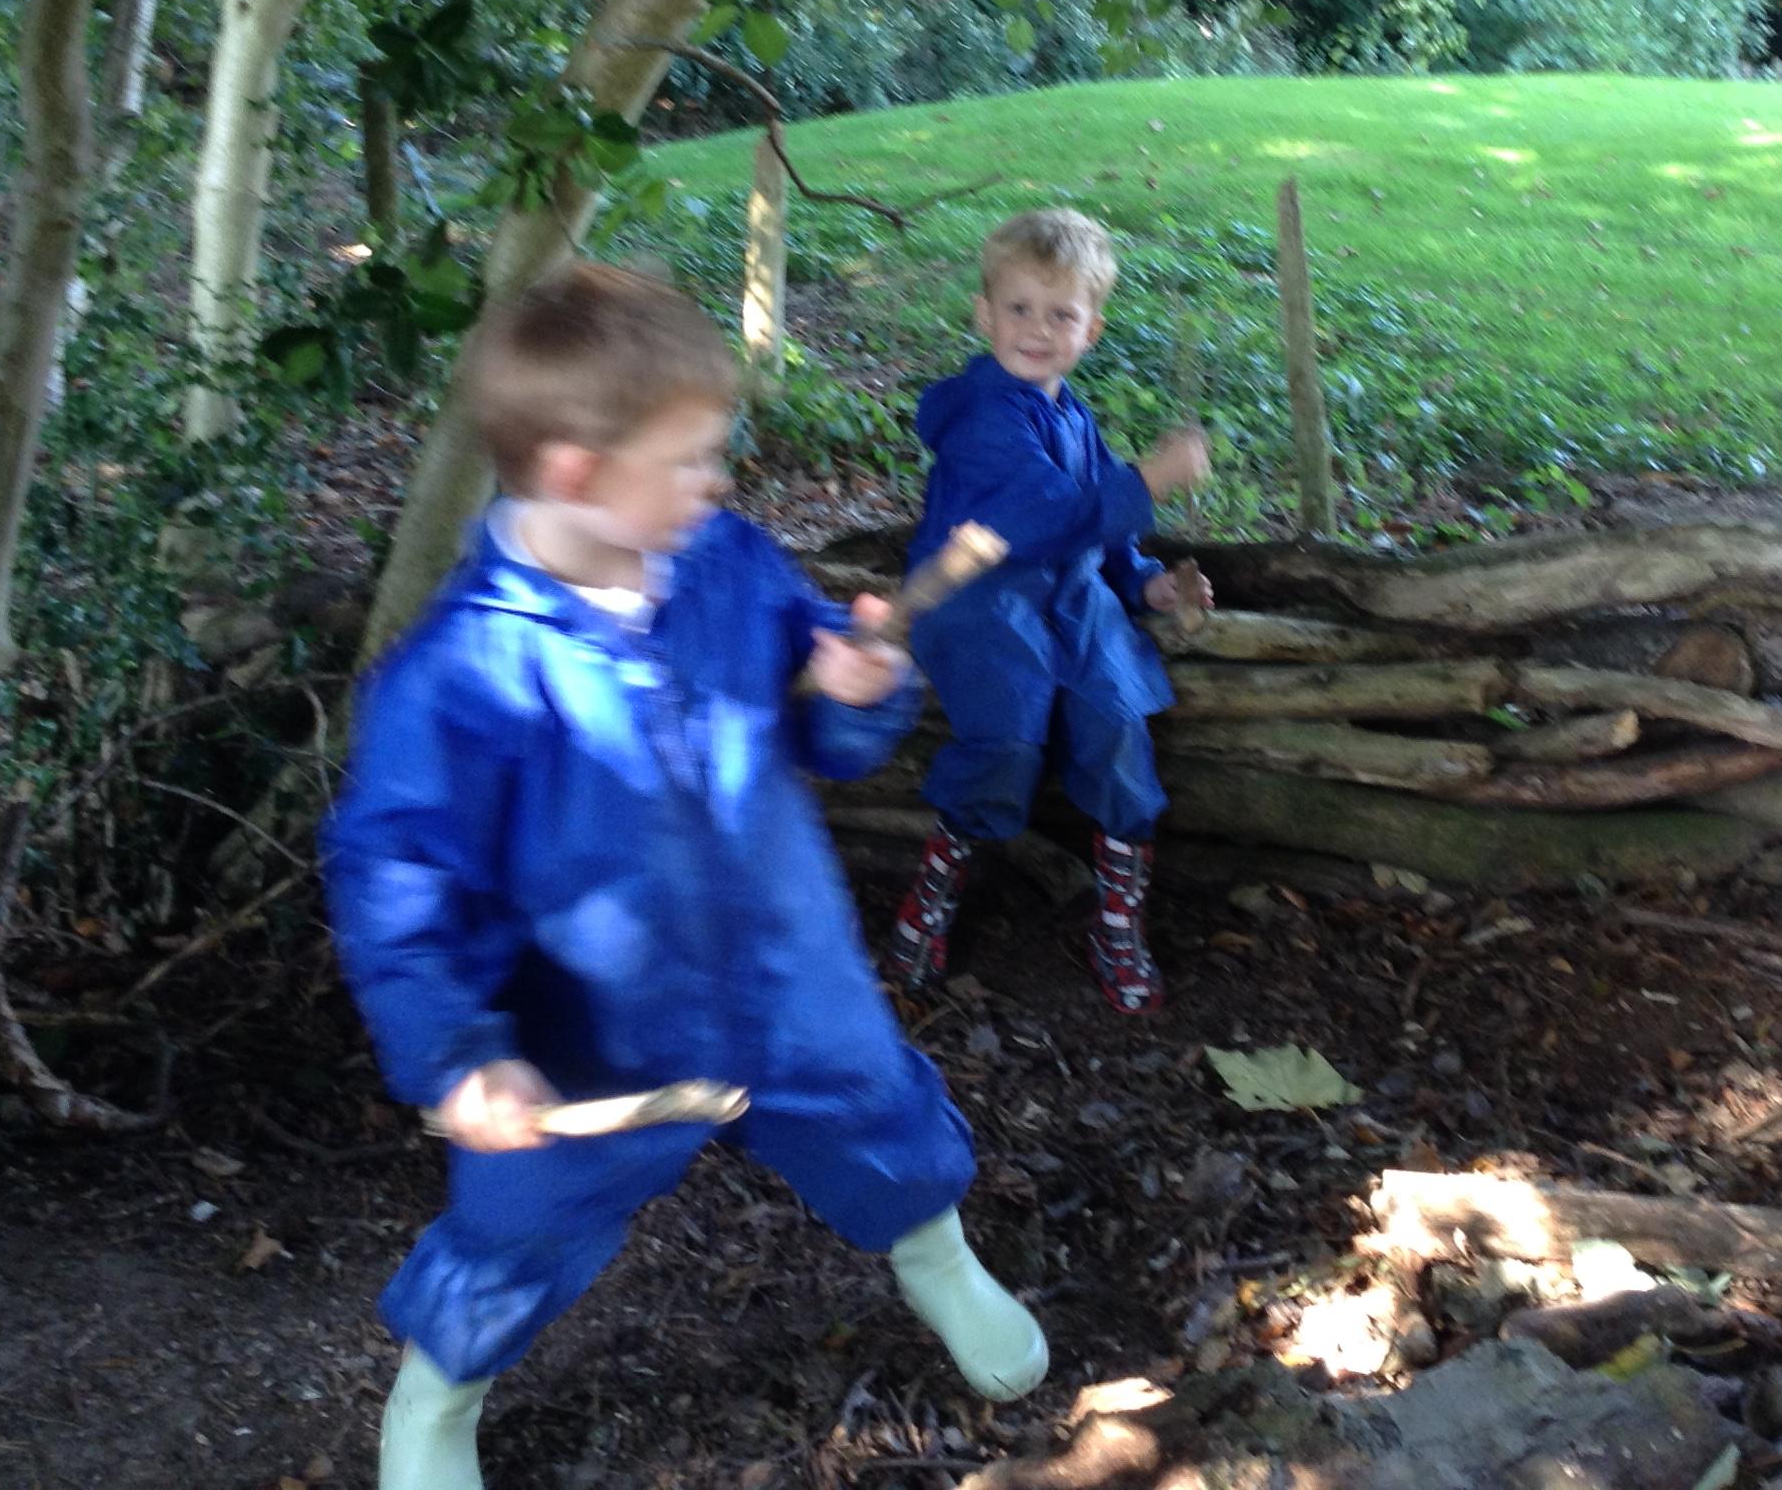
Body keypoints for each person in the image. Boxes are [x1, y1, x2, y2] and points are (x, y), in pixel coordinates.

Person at [323, 264, 1047, 1490]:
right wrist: (456, 1051)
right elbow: (397, 881)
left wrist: (856, 689)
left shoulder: (725, 564)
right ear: (575, 473)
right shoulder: (460, 674)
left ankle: (936, 1257)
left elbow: (818, 718)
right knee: (520, 1221)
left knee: (878, 1111)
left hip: (785, 967)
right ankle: (438, 1398)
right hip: (591, 1030)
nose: (720, 480)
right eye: (692, 459)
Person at [887, 207, 1211, 1016]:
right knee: (1005, 738)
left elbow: (1098, 530)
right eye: (1019, 308)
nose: (1037, 330)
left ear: (1091, 330)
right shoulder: (980, 415)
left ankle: (1117, 923)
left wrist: (1146, 584)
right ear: (984, 314)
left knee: (1117, 728)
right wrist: (1151, 479)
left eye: (1060, 314)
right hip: (979, 602)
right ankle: (931, 899)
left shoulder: (1073, 414)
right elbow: (1046, 513)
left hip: (1070, 599)